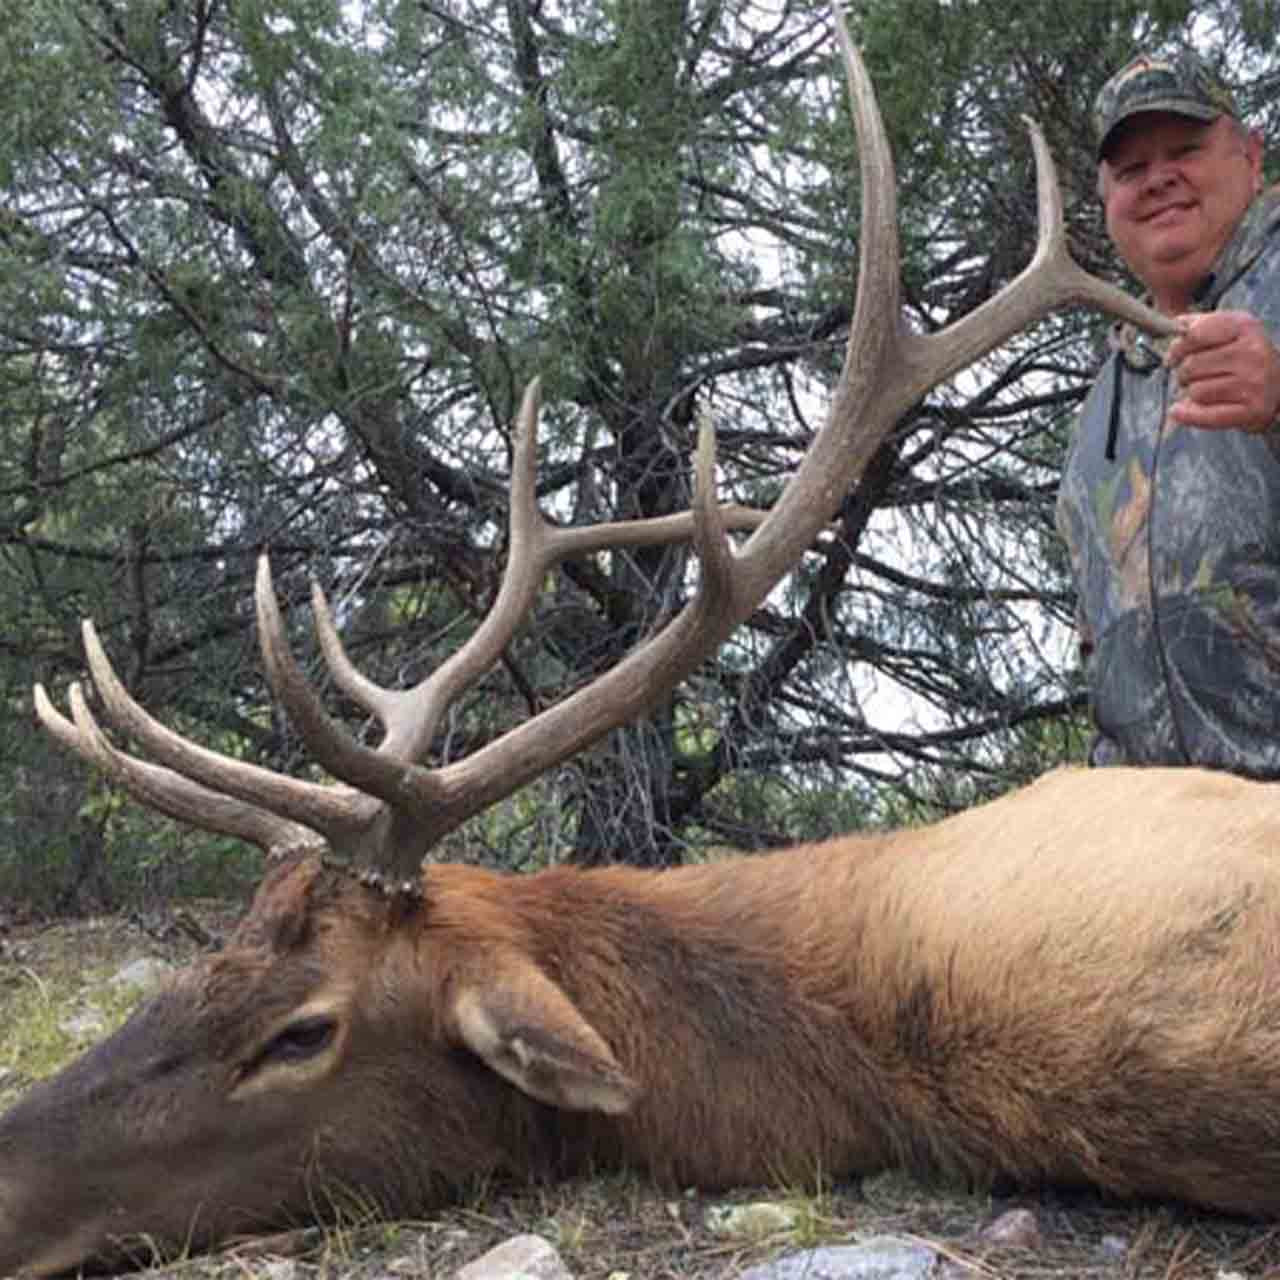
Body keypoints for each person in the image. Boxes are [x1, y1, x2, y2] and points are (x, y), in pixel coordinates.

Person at [1055, 48, 1280, 775]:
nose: (1158, 179)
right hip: (1163, 854)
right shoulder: (1104, 404)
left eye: (1185, 149)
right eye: (1130, 170)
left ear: (1252, 156)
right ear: (1106, 199)